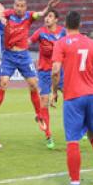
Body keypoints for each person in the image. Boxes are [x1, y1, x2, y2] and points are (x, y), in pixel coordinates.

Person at [51, 11, 93, 185]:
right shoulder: (92, 43)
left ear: (65, 24)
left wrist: (54, 91)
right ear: (80, 24)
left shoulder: (61, 43)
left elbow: (55, 70)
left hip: (73, 98)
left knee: (72, 141)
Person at [0, 0, 59, 148]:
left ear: (25, 7)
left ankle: (38, 115)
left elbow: (40, 14)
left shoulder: (29, 16)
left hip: (24, 56)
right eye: (17, 5)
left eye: (22, 6)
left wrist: (47, 7)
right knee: (4, 83)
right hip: (9, 55)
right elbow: (0, 14)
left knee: (34, 85)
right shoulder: (8, 14)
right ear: (14, 6)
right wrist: (0, 19)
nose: (19, 8)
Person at [30, 9, 67, 147]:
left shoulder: (63, 32)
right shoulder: (40, 32)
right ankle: (48, 135)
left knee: (71, 97)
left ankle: (82, 128)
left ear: (56, 19)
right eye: (46, 16)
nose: (47, 18)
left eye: (50, 16)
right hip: (44, 72)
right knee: (44, 101)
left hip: (60, 71)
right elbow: (29, 41)